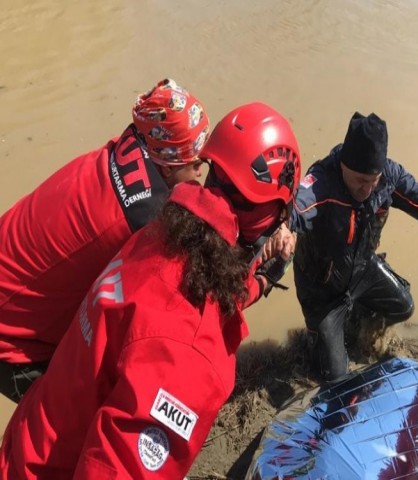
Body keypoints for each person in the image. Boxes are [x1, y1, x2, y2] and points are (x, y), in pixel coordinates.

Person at [0, 102, 301, 478]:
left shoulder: (156, 235)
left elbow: (199, 286)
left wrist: (260, 278)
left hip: (28, 446)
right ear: (269, 215)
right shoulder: (191, 351)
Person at [0, 78, 210, 394]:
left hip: (14, 267)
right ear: (166, 167)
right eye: (195, 163)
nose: (199, 172)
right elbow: (200, 285)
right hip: (10, 338)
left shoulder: (130, 142)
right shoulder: (145, 219)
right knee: (71, 425)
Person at [290, 111, 418, 381]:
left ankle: (355, 318)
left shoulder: (390, 177)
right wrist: (282, 229)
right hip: (322, 290)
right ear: (344, 165)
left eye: (374, 180)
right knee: (335, 377)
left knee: (403, 306)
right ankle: (320, 338)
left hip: (362, 269)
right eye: (360, 180)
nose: (368, 189)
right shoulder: (321, 182)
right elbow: (293, 209)